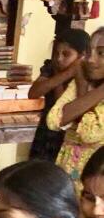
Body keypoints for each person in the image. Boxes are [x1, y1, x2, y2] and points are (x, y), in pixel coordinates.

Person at [48, 28, 104, 189]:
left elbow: (89, 133)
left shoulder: (82, 82)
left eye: (101, 53)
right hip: (68, 172)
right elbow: (54, 120)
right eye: (88, 52)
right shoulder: (82, 82)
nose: (91, 60)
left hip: (96, 180)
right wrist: (83, 86)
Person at [29, 28, 90, 162]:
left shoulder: (86, 76)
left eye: (66, 54)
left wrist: (65, 75)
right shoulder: (51, 67)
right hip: (45, 133)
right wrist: (63, 75)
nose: (59, 58)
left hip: (68, 137)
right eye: (56, 53)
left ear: (82, 56)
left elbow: (61, 109)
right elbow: (33, 93)